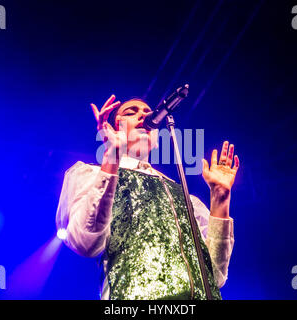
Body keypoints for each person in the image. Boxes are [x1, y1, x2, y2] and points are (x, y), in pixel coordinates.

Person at [55, 94, 240, 300]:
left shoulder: (185, 197)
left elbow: (215, 276)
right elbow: (85, 242)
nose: (143, 116)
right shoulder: (91, 175)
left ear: (156, 140)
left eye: (147, 112)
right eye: (131, 112)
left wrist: (220, 198)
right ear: (116, 128)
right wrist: (112, 157)